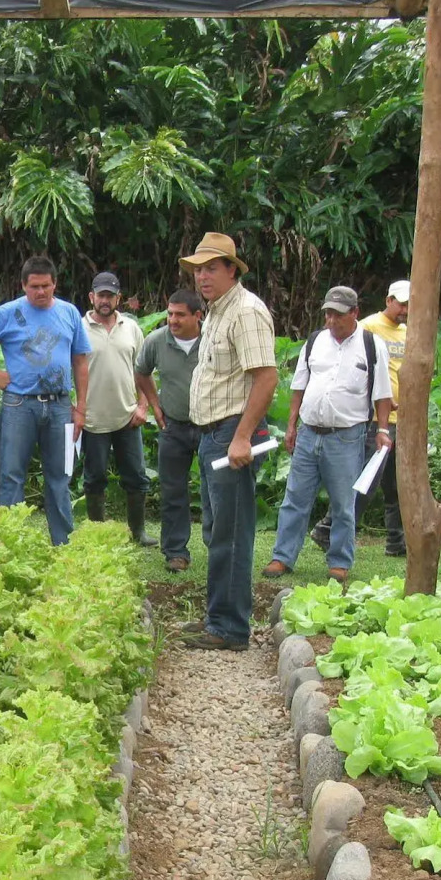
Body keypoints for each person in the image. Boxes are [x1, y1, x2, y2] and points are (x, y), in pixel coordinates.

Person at [178, 232, 279, 651]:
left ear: (232, 270)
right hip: (213, 435)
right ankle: (218, 618)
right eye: (198, 269)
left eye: (211, 268)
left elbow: (266, 377)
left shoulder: (246, 311)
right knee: (218, 531)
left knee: (232, 534)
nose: (202, 276)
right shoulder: (217, 311)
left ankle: (230, 628)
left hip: (231, 436)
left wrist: (240, 438)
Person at [264, 287, 394, 583]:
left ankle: (339, 561)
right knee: (295, 497)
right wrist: (292, 425)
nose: (331, 320)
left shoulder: (372, 345)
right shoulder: (315, 341)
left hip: (346, 436)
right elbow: (299, 386)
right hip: (309, 432)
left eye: (338, 314)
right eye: (328, 313)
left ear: (355, 313)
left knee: (343, 503)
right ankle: (282, 557)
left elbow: (382, 393)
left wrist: (383, 430)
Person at [0, 256, 92, 546]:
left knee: (59, 476)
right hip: (20, 404)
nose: (41, 292)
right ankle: (10, 544)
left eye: (46, 286)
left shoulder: (70, 313)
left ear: (55, 284)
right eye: (34, 287)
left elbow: (80, 361)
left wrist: (80, 408)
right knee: (12, 475)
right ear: (23, 286)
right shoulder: (9, 312)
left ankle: (63, 544)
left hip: (59, 405)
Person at [311, 279, 409, 558]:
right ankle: (328, 528)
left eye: (408, 305)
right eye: (400, 303)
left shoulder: (408, 333)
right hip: (376, 420)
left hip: (403, 420)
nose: (404, 310)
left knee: (396, 485)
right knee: (366, 481)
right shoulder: (368, 327)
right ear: (388, 300)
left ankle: (396, 542)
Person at [135, 289, 210, 571]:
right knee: (172, 490)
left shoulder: (212, 339)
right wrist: (155, 405)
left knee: (214, 490)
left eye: (180, 315)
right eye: (170, 313)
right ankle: (176, 552)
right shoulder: (157, 340)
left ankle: (218, 548)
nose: (173, 320)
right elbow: (141, 371)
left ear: (197, 316)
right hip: (173, 426)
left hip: (210, 427)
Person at [80, 272, 155, 546]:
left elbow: (144, 372)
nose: (105, 300)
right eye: (100, 295)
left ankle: (138, 532)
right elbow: (69, 371)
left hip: (128, 417)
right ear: (91, 297)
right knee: (94, 478)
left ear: (118, 298)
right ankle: (97, 534)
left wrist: (143, 406)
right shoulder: (80, 328)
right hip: (93, 418)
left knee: (136, 476)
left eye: (110, 296)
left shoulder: (132, 328)